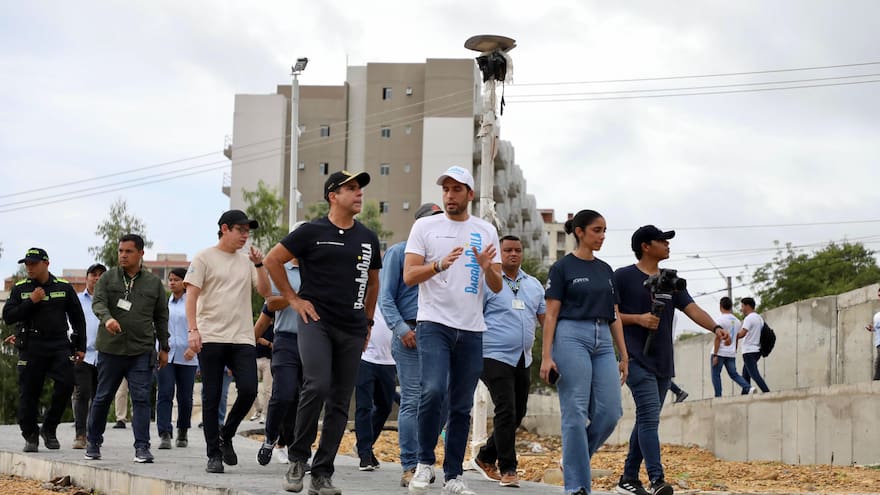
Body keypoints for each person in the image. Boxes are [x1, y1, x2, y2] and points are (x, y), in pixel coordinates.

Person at [264, 170, 381, 495]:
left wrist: (368, 322)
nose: (359, 193)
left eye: (360, 188)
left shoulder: (368, 237)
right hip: (316, 321)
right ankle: (298, 459)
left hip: (352, 327)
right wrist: (293, 299)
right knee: (316, 385)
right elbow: (273, 260)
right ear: (333, 195)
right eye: (351, 188)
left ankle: (322, 473)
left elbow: (373, 283)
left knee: (341, 401)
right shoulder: (311, 231)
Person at [403, 165, 502, 495]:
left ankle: (454, 476)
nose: (449, 195)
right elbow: (409, 276)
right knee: (432, 390)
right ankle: (423, 463)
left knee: (461, 405)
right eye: (446, 189)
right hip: (434, 323)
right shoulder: (425, 226)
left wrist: (487, 268)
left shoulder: (486, 230)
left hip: (471, 329)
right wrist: (438, 265)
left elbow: (497, 286)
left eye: (457, 189)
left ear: (470, 194)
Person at [614, 225, 729, 495]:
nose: (667, 245)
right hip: (635, 358)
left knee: (646, 418)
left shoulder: (670, 280)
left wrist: (715, 327)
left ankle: (628, 479)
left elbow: (693, 309)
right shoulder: (623, 277)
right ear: (645, 246)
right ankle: (657, 480)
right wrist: (639, 319)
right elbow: (611, 314)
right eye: (662, 240)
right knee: (649, 418)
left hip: (663, 361)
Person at [538, 211, 627, 495]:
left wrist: (624, 355)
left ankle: (572, 460)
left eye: (604, 230)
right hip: (571, 335)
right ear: (579, 232)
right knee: (575, 412)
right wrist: (546, 356)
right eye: (597, 230)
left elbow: (615, 314)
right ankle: (577, 487)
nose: (602, 236)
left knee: (611, 412)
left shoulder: (606, 270)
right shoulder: (562, 268)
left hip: (603, 340)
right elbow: (551, 315)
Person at [185, 209, 270, 474]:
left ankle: (227, 433)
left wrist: (259, 265)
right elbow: (191, 296)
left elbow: (265, 292)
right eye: (240, 230)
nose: (245, 236)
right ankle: (213, 454)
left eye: (248, 231)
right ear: (224, 229)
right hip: (211, 335)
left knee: (249, 390)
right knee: (211, 397)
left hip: (242, 337)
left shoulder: (247, 262)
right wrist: (193, 330)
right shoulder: (204, 257)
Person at [87, 234, 170, 463]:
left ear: (141, 253)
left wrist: (164, 347)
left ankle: (142, 448)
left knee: (141, 399)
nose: (123, 255)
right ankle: (93, 443)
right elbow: (98, 302)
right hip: (110, 350)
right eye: (120, 251)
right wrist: (107, 319)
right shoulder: (107, 278)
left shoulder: (153, 283)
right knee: (103, 397)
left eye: (128, 251)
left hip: (141, 350)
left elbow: (161, 317)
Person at [471, 235, 545, 489]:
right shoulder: (488, 281)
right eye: (508, 250)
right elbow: (473, 315)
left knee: (518, 412)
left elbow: (545, 318)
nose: (513, 254)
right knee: (506, 409)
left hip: (523, 357)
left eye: (517, 250)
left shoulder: (533, 285)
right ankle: (508, 468)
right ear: (499, 253)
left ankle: (485, 456)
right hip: (493, 355)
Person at [378, 202, 444, 487]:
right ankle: (410, 465)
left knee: (443, 399)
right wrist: (402, 329)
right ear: (419, 225)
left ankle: (424, 457)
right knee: (413, 400)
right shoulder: (399, 252)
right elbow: (385, 298)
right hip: (410, 333)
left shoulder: (446, 256)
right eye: (432, 220)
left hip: (441, 334)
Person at [2, 247, 86, 453]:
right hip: (31, 345)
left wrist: (80, 346)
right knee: (28, 393)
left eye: (33, 264)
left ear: (46, 264)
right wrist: (31, 301)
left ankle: (49, 428)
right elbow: (9, 316)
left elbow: (78, 318)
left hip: (59, 344)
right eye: (27, 264)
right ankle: (30, 435)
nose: (29, 268)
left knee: (67, 383)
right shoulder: (20, 288)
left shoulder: (63, 287)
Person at [156, 267, 198, 449]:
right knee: (165, 393)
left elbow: (202, 325)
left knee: (185, 397)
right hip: (166, 355)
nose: (172, 283)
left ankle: (183, 430)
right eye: (170, 279)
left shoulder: (193, 302)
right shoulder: (165, 304)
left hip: (188, 356)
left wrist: (194, 349)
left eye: (176, 279)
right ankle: (165, 433)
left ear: (185, 282)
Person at [354, 308, 396, 472]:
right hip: (365, 358)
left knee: (385, 406)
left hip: (389, 361)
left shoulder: (395, 297)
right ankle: (364, 454)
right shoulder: (370, 297)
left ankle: (364, 444)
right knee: (364, 406)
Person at [72, 262, 107, 449]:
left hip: (105, 354)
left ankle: (94, 434)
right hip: (82, 354)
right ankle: (80, 434)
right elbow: (67, 324)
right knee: (82, 393)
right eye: (94, 274)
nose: (97, 278)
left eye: (101, 275)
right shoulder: (77, 300)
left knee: (100, 397)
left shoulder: (111, 301)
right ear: (87, 278)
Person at [711, 297, 751, 397]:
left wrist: (715, 354)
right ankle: (748, 387)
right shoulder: (737, 321)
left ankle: (718, 396)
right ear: (731, 307)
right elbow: (736, 337)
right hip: (731, 353)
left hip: (719, 352)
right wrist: (734, 350)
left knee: (716, 374)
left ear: (720, 306)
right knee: (734, 374)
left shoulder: (719, 320)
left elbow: (718, 338)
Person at [738, 297, 769, 394]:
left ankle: (767, 392)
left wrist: (731, 336)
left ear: (747, 306)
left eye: (742, 306)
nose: (741, 309)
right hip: (757, 350)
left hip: (749, 351)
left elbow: (742, 334)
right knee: (745, 375)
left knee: (754, 374)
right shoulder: (759, 318)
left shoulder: (749, 318)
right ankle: (744, 396)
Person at [249, 314, 274, 424]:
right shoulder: (257, 327)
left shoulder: (274, 329)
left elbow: (277, 346)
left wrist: (267, 343)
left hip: (268, 361)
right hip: (255, 359)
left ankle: (265, 414)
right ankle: (258, 409)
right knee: (250, 386)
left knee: (268, 390)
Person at [866, 286, 880, 381]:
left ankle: (876, 381)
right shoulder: (877, 315)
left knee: (878, 362)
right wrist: (873, 329)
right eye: (879, 295)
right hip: (878, 342)